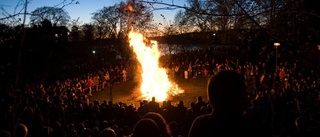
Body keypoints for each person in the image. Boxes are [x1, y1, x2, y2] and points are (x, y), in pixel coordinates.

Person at [188, 70, 268, 137]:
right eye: (244, 93)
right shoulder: (249, 128)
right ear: (235, 99)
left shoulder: (200, 125)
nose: (246, 98)